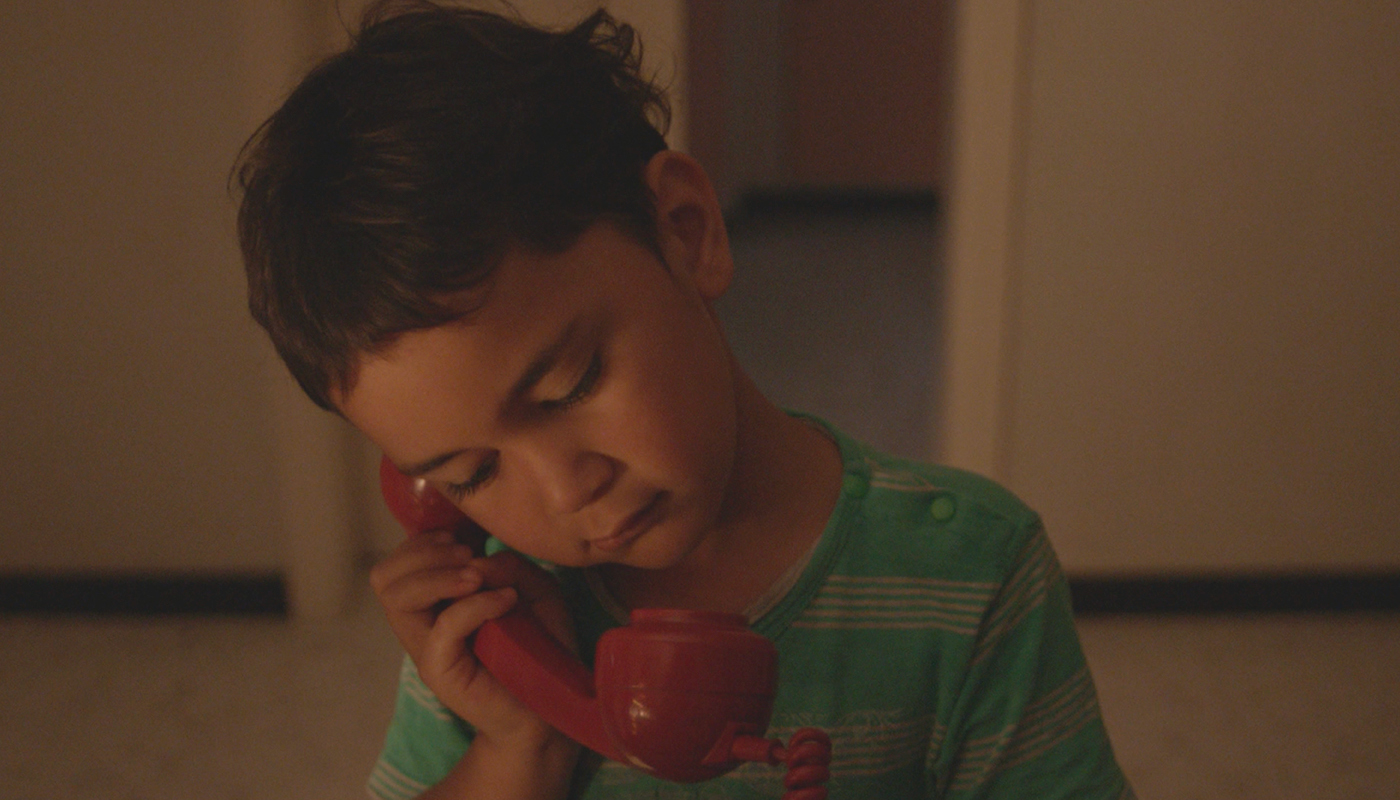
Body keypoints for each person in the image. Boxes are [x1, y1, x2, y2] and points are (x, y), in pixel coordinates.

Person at [234, 2, 1136, 798]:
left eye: (572, 383)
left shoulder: (970, 574)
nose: (562, 492)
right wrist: (519, 751)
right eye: (470, 474)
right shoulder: (495, 611)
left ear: (686, 230)